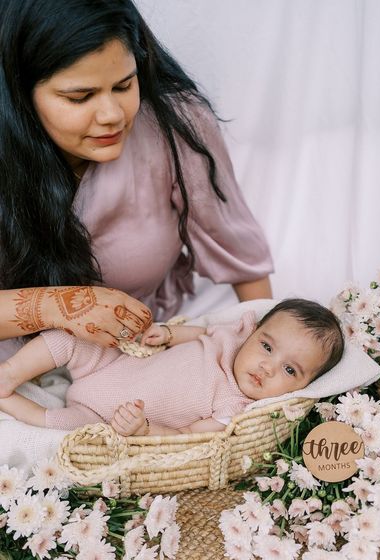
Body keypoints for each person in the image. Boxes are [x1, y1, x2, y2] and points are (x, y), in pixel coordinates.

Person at [0, 0, 273, 360]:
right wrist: (60, 305)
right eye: (80, 97)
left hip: (132, 364)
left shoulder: (174, 124)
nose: (112, 115)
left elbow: (240, 258)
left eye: (124, 85)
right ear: (19, 94)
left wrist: (272, 355)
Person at [0, 299, 344, 436]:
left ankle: (8, 400)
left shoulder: (234, 408)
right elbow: (200, 332)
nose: (267, 367)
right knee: (69, 339)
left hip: (105, 416)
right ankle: (9, 373)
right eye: (267, 347)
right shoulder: (231, 337)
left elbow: (186, 438)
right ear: (253, 332)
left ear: (305, 387)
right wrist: (167, 333)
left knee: (67, 431)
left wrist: (144, 430)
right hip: (112, 365)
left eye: (290, 371)